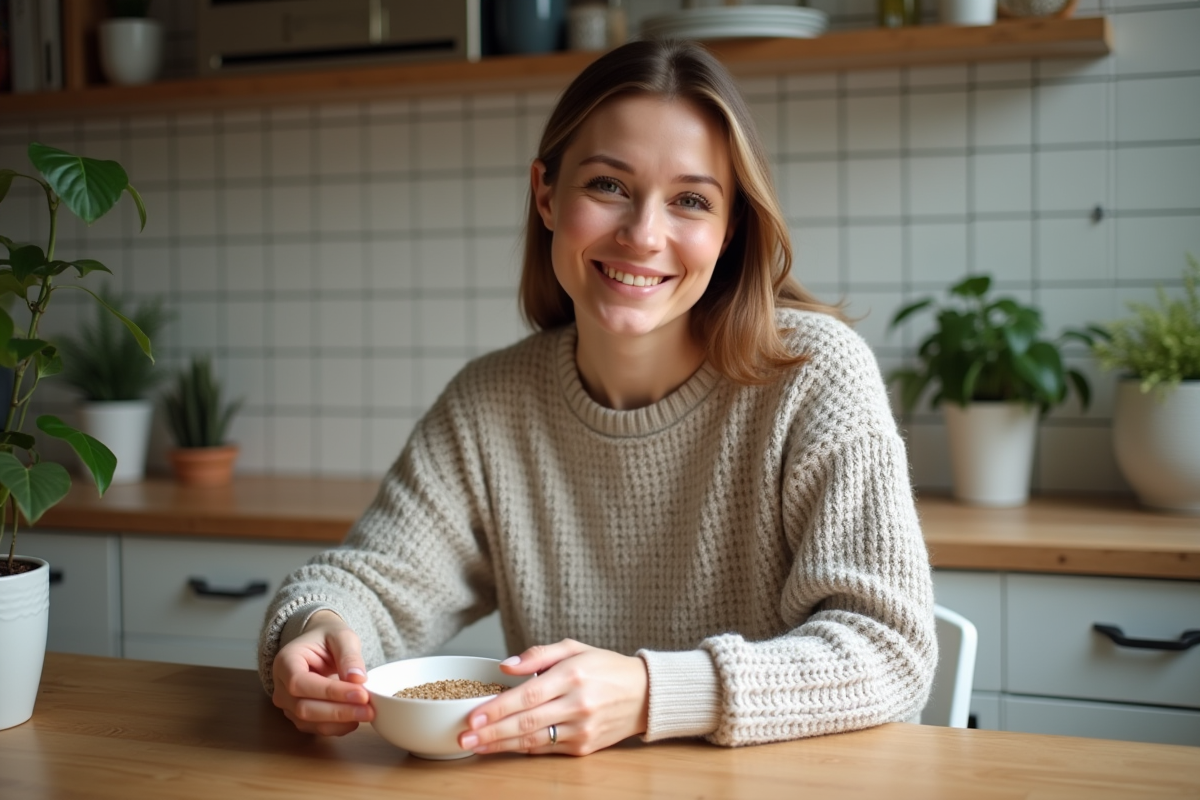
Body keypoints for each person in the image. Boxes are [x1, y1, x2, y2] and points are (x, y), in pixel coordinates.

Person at [258, 38, 936, 757]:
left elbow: (891, 652)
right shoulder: (491, 404)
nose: (644, 234)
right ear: (547, 195)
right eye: (608, 185)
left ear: (730, 229)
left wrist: (651, 693)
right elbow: (373, 584)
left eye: (691, 201)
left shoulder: (815, 375)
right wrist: (313, 631)